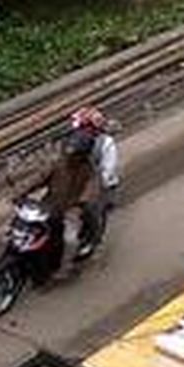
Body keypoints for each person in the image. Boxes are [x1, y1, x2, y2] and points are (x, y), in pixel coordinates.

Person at [18, 127, 101, 279]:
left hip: (71, 210)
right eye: (69, 150)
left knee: (70, 240)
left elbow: (92, 188)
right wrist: (22, 191)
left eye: (74, 152)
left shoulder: (88, 169)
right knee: (27, 229)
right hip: (50, 205)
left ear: (82, 154)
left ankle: (65, 268)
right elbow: (39, 178)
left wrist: (80, 204)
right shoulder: (57, 163)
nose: (70, 154)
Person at [69, 105, 119, 259]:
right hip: (78, 182)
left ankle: (92, 242)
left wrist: (94, 186)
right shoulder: (75, 140)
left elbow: (108, 169)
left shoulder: (106, 143)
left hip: (100, 185)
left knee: (93, 212)